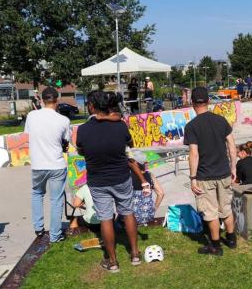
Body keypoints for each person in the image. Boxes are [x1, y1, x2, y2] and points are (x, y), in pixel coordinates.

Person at [77, 91, 150, 272]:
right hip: (121, 177)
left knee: (106, 219)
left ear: (92, 107)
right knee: (128, 212)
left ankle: (113, 261)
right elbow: (129, 147)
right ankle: (134, 255)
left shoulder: (83, 129)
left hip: (98, 180)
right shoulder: (120, 126)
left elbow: (81, 150)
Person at [184, 87, 237, 256]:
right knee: (226, 208)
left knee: (211, 211)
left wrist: (193, 178)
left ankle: (215, 245)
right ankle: (231, 239)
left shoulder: (192, 126)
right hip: (224, 172)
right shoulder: (221, 120)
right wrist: (233, 167)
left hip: (205, 176)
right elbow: (231, 145)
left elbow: (194, 153)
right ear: (208, 101)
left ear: (192, 103)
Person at [24, 87, 70, 243]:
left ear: (42, 100)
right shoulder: (64, 120)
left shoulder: (31, 116)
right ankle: (55, 235)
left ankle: (38, 228)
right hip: (56, 164)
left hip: (38, 164)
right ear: (57, 101)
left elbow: (28, 134)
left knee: (37, 194)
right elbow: (66, 142)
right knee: (56, 200)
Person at [130, 151, 164, 226]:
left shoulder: (129, 176)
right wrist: (153, 210)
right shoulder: (150, 175)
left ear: (135, 163)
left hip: (131, 218)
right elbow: (161, 194)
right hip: (147, 216)